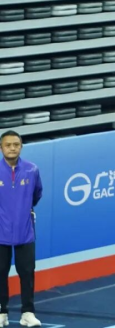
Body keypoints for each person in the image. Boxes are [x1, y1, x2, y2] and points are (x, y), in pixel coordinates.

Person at [0, 131, 42, 327]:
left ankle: (28, 313)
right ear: (1, 148)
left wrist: (24, 210)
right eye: (8, 145)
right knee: (0, 273)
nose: (12, 148)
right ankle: (2, 313)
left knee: (27, 273)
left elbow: (37, 194)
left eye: (16, 144)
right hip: (0, 232)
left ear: (21, 147)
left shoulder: (32, 170)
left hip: (25, 231)